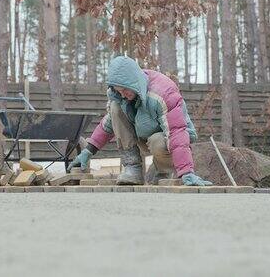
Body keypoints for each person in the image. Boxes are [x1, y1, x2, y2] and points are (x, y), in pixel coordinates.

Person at [68, 56, 213, 186]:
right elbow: (109, 124)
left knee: (157, 141)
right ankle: (133, 169)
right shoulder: (120, 97)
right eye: (118, 91)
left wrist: (186, 171)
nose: (123, 95)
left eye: (125, 90)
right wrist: (88, 151)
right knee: (115, 108)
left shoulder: (163, 93)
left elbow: (176, 132)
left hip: (172, 138)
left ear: (134, 82)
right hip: (143, 135)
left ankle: (162, 171)